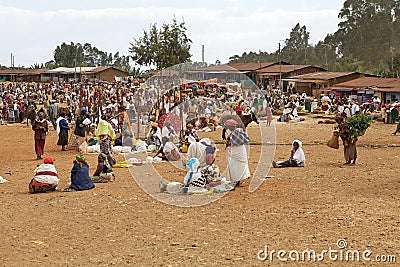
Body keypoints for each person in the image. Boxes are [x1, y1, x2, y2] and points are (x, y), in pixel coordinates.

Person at [225, 119, 250, 187]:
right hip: (241, 150)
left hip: (236, 151)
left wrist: (229, 143)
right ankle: (237, 180)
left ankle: (237, 180)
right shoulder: (239, 131)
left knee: (235, 166)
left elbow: (234, 142)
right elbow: (246, 139)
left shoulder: (234, 133)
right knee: (238, 166)